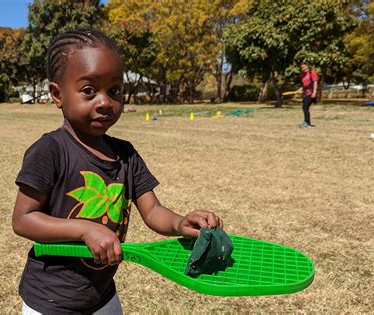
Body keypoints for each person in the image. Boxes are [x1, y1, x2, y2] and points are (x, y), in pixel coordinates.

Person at [12, 28, 223, 314]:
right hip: (51, 299)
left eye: (114, 90)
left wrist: (180, 222)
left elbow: (153, 211)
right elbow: (23, 220)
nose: (105, 102)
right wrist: (85, 229)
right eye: (89, 90)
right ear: (56, 94)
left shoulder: (126, 154)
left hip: (102, 295)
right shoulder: (50, 150)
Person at [295, 63, 318, 128]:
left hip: (311, 93)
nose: (303, 68)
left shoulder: (312, 72)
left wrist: (314, 92)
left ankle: (307, 122)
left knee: (305, 107)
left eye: (304, 66)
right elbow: (304, 86)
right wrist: (299, 90)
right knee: (305, 107)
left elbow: (315, 83)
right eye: (302, 67)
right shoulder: (303, 75)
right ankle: (307, 122)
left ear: (307, 65)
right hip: (306, 93)